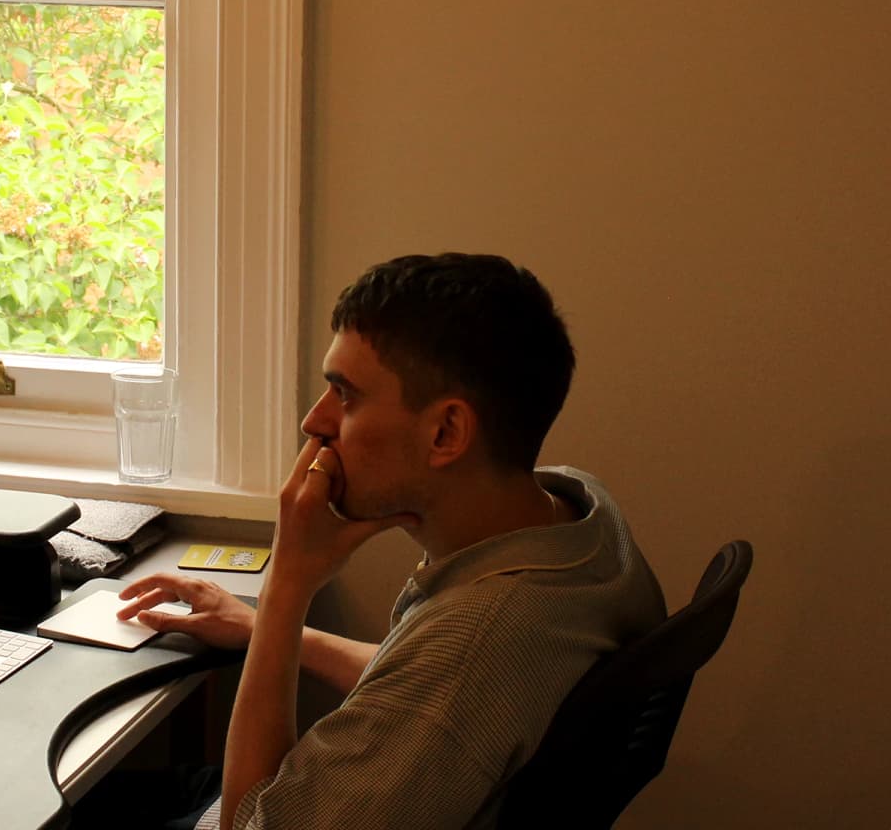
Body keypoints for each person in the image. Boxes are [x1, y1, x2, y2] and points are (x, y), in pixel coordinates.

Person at [115, 253, 666, 830]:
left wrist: (286, 587)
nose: (315, 422)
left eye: (345, 394)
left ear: (446, 432)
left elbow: (246, 824)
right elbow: (417, 687)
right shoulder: (579, 515)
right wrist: (262, 629)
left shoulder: (472, 644)